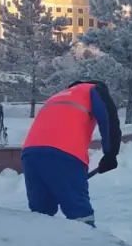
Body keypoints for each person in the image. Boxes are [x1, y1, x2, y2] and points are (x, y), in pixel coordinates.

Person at [21, 80, 122, 228]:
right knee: (80, 215)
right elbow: (108, 116)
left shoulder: (58, 95)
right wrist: (110, 153)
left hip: (30, 153)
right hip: (64, 154)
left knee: (41, 214)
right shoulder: (93, 90)